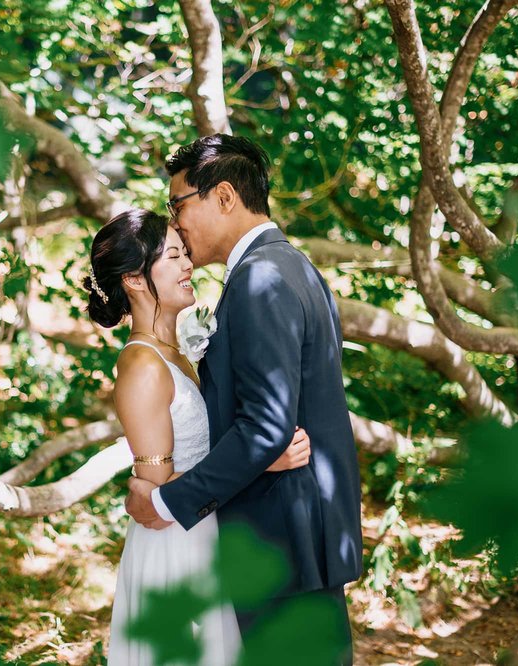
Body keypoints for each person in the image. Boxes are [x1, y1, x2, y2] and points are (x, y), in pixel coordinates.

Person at [124, 134, 364, 662]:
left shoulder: (261, 280)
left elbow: (265, 426)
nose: (177, 222)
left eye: (178, 205)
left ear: (225, 197)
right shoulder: (292, 267)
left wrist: (166, 501)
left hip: (280, 539)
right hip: (297, 535)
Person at [85, 209, 312, 665]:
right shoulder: (141, 365)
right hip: (175, 543)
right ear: (133, 279)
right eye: (173, 255)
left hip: (207, 527)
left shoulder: (180, 350)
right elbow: (154, 495)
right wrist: (260, 460)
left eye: (185, 252)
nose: (188, 264)